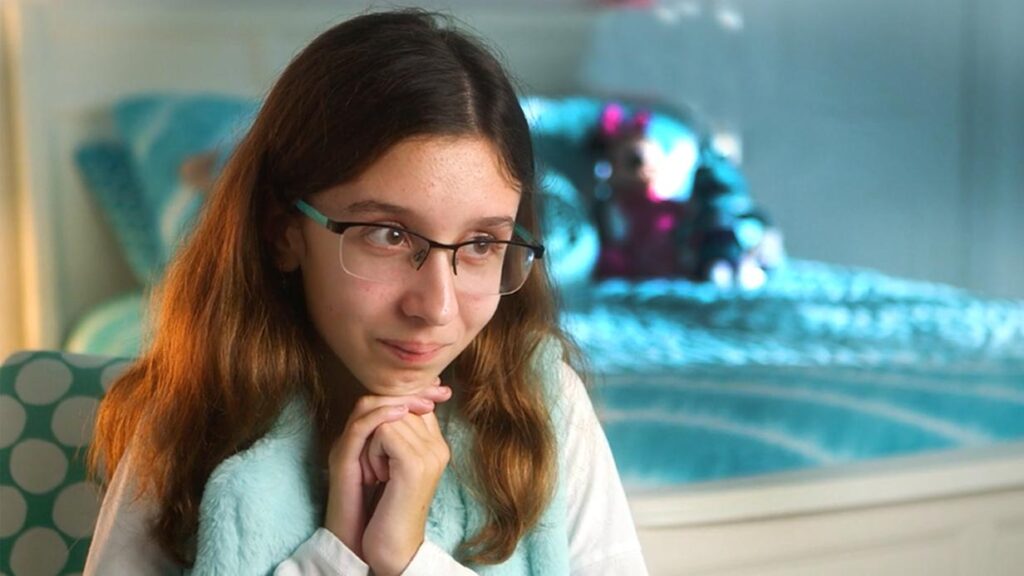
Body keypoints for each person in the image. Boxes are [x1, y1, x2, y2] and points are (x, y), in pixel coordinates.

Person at [84, 9, 647, 575]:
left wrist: (406, 560)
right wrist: (338, 557)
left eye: (480, 244)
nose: (436, 308)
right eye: (390, 235)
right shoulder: (193, 413)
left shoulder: (542, 402)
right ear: (284, 233)